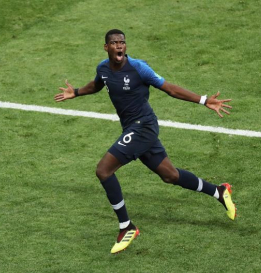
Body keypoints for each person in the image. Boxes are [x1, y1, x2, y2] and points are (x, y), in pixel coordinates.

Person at [54, 29, 236, 254]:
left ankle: (126, 226)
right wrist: (77, 92)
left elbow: (170, 89)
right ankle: (219, 191)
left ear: (125, 46)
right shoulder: (102, 68)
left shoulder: (139, 68)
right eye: (114, 43)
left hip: (143, 127)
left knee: (103, 171)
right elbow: (98, 85)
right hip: (135, 129)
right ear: (106, 47)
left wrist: (203, 100)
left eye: (122, 42)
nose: (119, 46)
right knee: (170, 175)